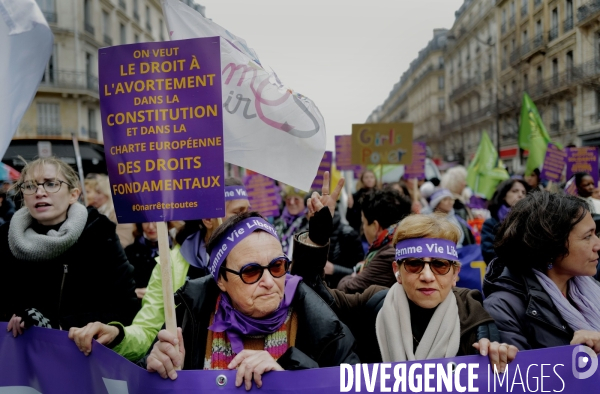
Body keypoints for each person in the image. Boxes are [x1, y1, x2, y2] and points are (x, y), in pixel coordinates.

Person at [145, 212, 359, 389]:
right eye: (250, 271)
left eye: (277, 266)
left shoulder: (322, 324)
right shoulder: (188, 317)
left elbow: (354, 387)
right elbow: (147, 383)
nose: (269, 281)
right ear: (221, 280)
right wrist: (164, 375)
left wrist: (292, 381)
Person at [293, 211, 518, 370]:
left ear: (455, 273)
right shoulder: (373, 304)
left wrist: (497, 355)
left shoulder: (475, 318)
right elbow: (313, 298)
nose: (427, 276)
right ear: (397, 270)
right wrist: (318, 236)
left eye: (440, 265)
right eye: (414, 264)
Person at [68, 179, 251, 362]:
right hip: (186, 377)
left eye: (248, 211)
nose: (249, 219)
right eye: (238, 213)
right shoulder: (170, 263)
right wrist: (117, 335)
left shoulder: (260, 257)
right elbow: (148, 331)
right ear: (209, 219)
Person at [1, 157, 138, 335]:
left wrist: (61, 326)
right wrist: (14, 319)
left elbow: (125, 307)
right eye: (29, 186)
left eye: (51, 184)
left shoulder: (98, 234)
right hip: (21, 353)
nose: (39, 192)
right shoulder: (6, 237)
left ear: (73, 194)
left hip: (81, 354)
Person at [484, 192, 600, 351]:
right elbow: (519, 374)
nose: (597, 245)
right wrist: (573, 355)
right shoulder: (503, 307)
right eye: (587, 236)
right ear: (551, 245)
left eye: (596, 234)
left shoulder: (591, 288)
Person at [337, 189, 412, 293]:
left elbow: (346, 289)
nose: (363, 228)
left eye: (363, 223)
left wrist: (352, 276)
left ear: (375, 226)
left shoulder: (388, 255)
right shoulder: (404, 242)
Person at [481, 179, 530, 264]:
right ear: (503, 195)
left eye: (523, 192)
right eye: (515, 191)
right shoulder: (491, 224)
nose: (520, 195)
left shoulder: (532, 222)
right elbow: (490, 255)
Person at [125, 222, 171, 300]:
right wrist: (132, 292)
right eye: (146, 221)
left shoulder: (177, 251)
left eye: (155, 221)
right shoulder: (129, 252)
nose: (150, 226)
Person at [94, 174, 135, 248]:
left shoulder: (121, 214)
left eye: (99, 192)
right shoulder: (101, 212)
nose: (95, 196)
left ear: (108, 193)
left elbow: (123, 243)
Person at [273, 186, 308, 256]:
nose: (292, 202)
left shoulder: (309, 222)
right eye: (288, 199)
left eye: (296, 199)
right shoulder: (278, 223)